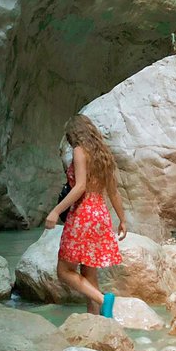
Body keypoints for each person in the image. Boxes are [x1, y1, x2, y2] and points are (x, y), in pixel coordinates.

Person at [44, 114, 127, 317]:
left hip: (83, 215)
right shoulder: (103, 155)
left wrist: (56, 211)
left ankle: (102, 299)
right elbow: (114, 191)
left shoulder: (80, 151)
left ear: (74, 134)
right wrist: (123, 219)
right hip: (100, 215)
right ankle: (98, 318)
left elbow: (80, 187)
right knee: (89, 273)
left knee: (64, 271)